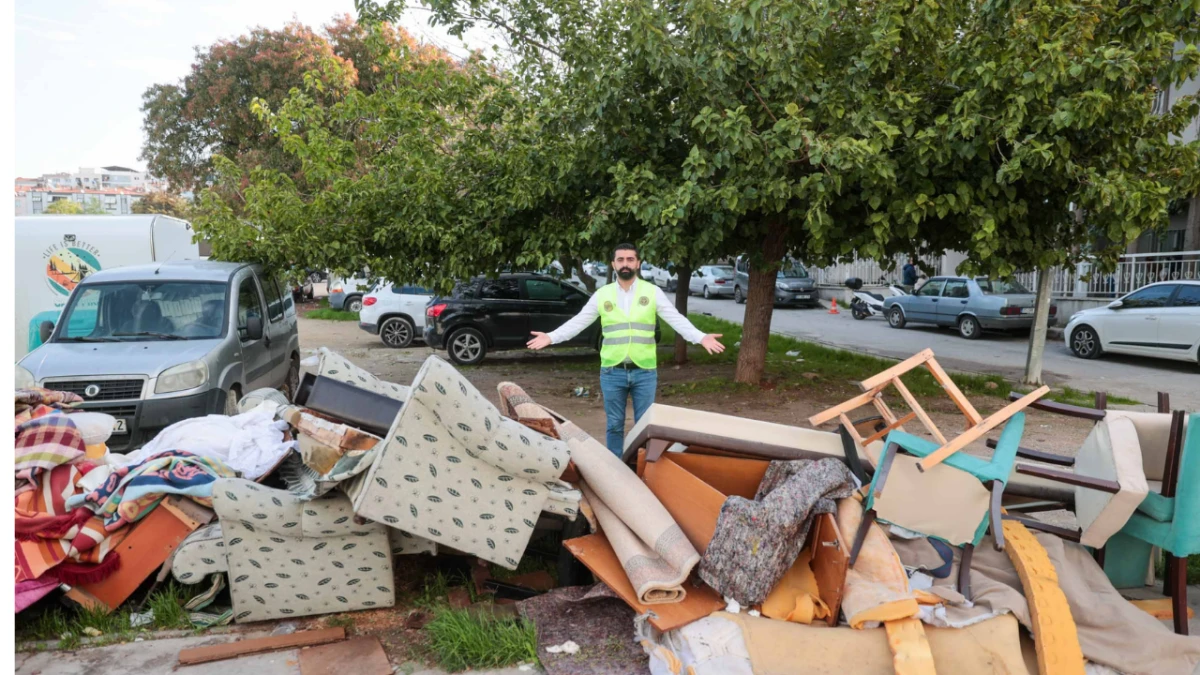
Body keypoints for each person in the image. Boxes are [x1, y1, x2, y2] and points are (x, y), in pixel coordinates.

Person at [527, 243, 726, 456]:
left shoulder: (652, 292)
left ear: (638, 263)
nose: (625, 264)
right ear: (613, 264)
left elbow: (676, 319)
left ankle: (640, 467)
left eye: (630, 259)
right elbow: (579, 322)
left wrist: (701, 337)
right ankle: (616, 467)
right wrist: (551, 336)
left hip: (644, 371)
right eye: (620, 260)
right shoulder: (602, 295)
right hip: (612, 371)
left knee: (645, 426)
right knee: (614, 425)